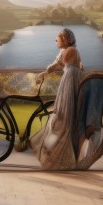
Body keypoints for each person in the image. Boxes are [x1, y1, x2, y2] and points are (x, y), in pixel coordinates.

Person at [26, 28, 90, 170]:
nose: (56, 40)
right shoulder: (68, 50)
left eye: (58, 38)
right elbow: (58, 65)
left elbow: (57, 64)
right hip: (70, 79)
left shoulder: (70, 50)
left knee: (64, 113)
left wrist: (44, 72)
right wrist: (44, 73)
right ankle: (55, 149)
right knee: (63, 113)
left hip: (70, 81)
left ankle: (59, 152)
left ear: (66, 39)